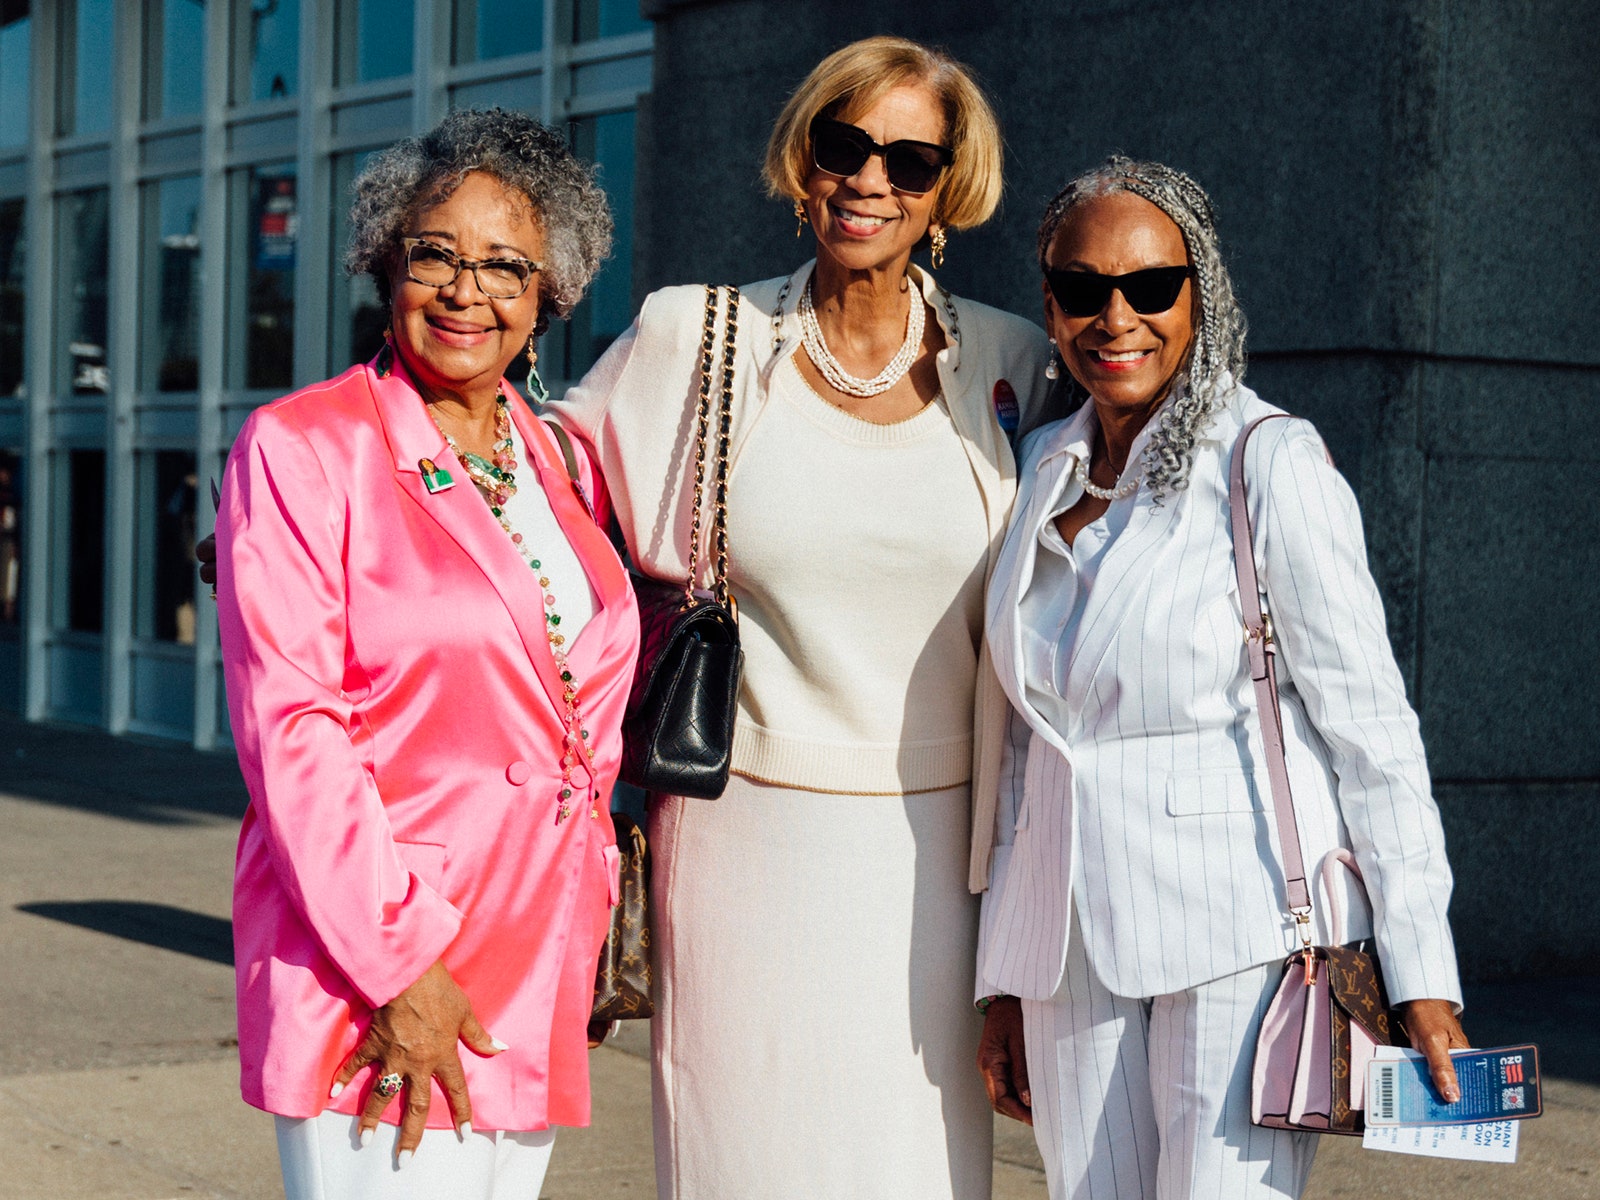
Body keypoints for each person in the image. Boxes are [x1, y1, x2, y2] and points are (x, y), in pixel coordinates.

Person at [542, 36, 1053, 1200]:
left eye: (909, 159)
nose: (870, 178)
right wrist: (350, 497)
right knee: (743, 1160)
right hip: (740, 839)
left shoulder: (1012, 364)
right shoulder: (697, 337)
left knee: (914, 1165)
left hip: (939, 858)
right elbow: (534, 480)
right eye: (844, 144)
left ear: (945, 190)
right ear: (803, 161)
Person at [971, 156, 1468, 1200]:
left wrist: (1422, 974)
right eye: (1082, 288)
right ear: (1050, 302)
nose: (1118, 317)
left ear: (1201, 296)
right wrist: (1006, 977)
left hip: (1239, 933)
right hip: (1066, 951)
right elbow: (1024, 742)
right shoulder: (1039, 466)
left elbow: (1371, 731)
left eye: (1151, 287)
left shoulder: (1264, 460)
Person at [214, 108, 636, 1199]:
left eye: (504, 265)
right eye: (434, 253)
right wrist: (402, 965)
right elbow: (293, 735)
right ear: (384, 263)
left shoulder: (558, 460)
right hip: (386, 965)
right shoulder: (305, 448)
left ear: (550, 294)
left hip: (537, 953)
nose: (465, 290)